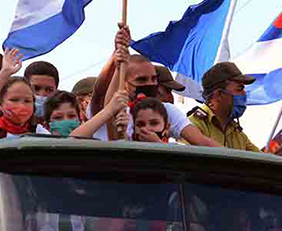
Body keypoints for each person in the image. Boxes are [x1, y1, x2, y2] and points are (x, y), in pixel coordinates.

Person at [90, 24, 219, 146]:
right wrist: (118, 53)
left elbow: (202, 142)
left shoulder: (166, 110)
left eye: (153, 79)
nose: (149, 84)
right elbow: (99, 93)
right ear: (124, 84)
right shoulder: (113, 110)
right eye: (141, 80)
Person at [188, 62, 282, 155]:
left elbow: (270, 166)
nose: (244, 95)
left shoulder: (237, 133)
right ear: (218, 95)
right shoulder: (193, 125)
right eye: (239, 89)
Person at [0, 49, 50, 139]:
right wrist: (5, 72)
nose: (21, 106)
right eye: (14, 100)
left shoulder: (37, 131)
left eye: (27, 101)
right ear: (0, 104)